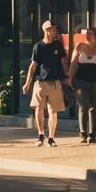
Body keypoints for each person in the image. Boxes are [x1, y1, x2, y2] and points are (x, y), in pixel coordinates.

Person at [23, 19, 69, 147]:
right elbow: (33, 66)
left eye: (55, 29)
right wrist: (27, 83)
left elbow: (63, 62)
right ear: (47, 30)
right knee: (38, 108)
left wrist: (67, 76)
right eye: (53, 29)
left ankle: (51, 138)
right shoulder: (38, 46)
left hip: (55, 83)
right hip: (41, 82)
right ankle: (41, 134)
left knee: (53, 111)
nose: (55, 31)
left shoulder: (58, 45)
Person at [68, 25, 96, 144]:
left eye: (90, 33)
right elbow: (73, 64)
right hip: (81, 81)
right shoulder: (80, 47)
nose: (88, 35)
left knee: (95, 108)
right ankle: (83, 133)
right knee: (83, 105)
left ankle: (92, 135)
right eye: (87, 33)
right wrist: (70, 79)